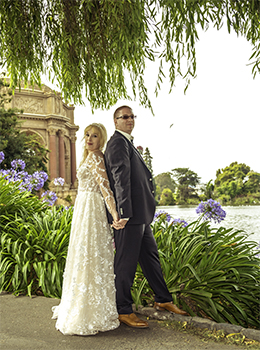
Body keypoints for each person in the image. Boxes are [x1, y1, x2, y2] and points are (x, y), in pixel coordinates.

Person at [104, 106, 188, 329]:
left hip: (140, 215)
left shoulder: (128, 142)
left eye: (132, 116)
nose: (130, 120)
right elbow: (119, 178)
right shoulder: (116, 143)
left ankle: (163, 299)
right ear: (115, 121)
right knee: (125, 264)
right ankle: (123, 310)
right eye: (125, 117)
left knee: (150, 258)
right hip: (129, 216)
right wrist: (123, 213)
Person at [52, 123, 120, 335]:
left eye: (95, 136)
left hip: (91, 210)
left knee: (90, 254)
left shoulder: (96, 157)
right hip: (83, 209)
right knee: (83, 255)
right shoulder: (89, 156)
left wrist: (115, 214)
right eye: (87, 135)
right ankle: (82, 303)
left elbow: (105, 187)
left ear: (102, 139)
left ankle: (90, 310)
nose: (90, 139)